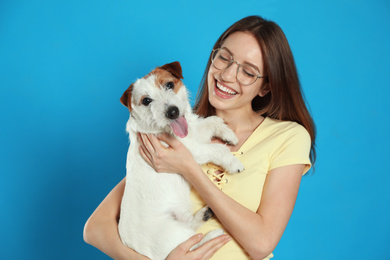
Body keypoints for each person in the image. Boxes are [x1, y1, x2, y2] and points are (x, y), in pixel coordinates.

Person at [84, 15, 316, 260]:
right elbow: (95, 228)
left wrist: (188, 167)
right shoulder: (170, 133)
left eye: (248, 72)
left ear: (265, 87)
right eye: (224, 57)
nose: (227, 75)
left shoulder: (287, 137)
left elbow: (260, 244)